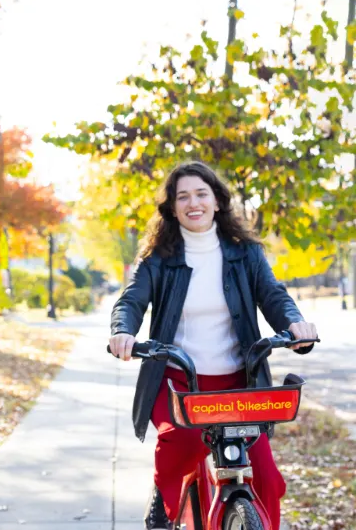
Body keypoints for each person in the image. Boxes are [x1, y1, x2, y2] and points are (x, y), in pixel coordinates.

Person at [107, 161, 317, 530]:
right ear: (172, 208)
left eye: (201, 194)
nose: (193, 203)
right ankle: (165, 500)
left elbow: (273, 295)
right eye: (182, 196)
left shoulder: (245, 253)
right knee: (183, 449)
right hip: (178, 383)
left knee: (264, 477)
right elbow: (131, 301)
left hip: (239, 383)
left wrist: (294, 324)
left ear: (217, 200)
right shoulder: (158, 257)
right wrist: (123, 331)